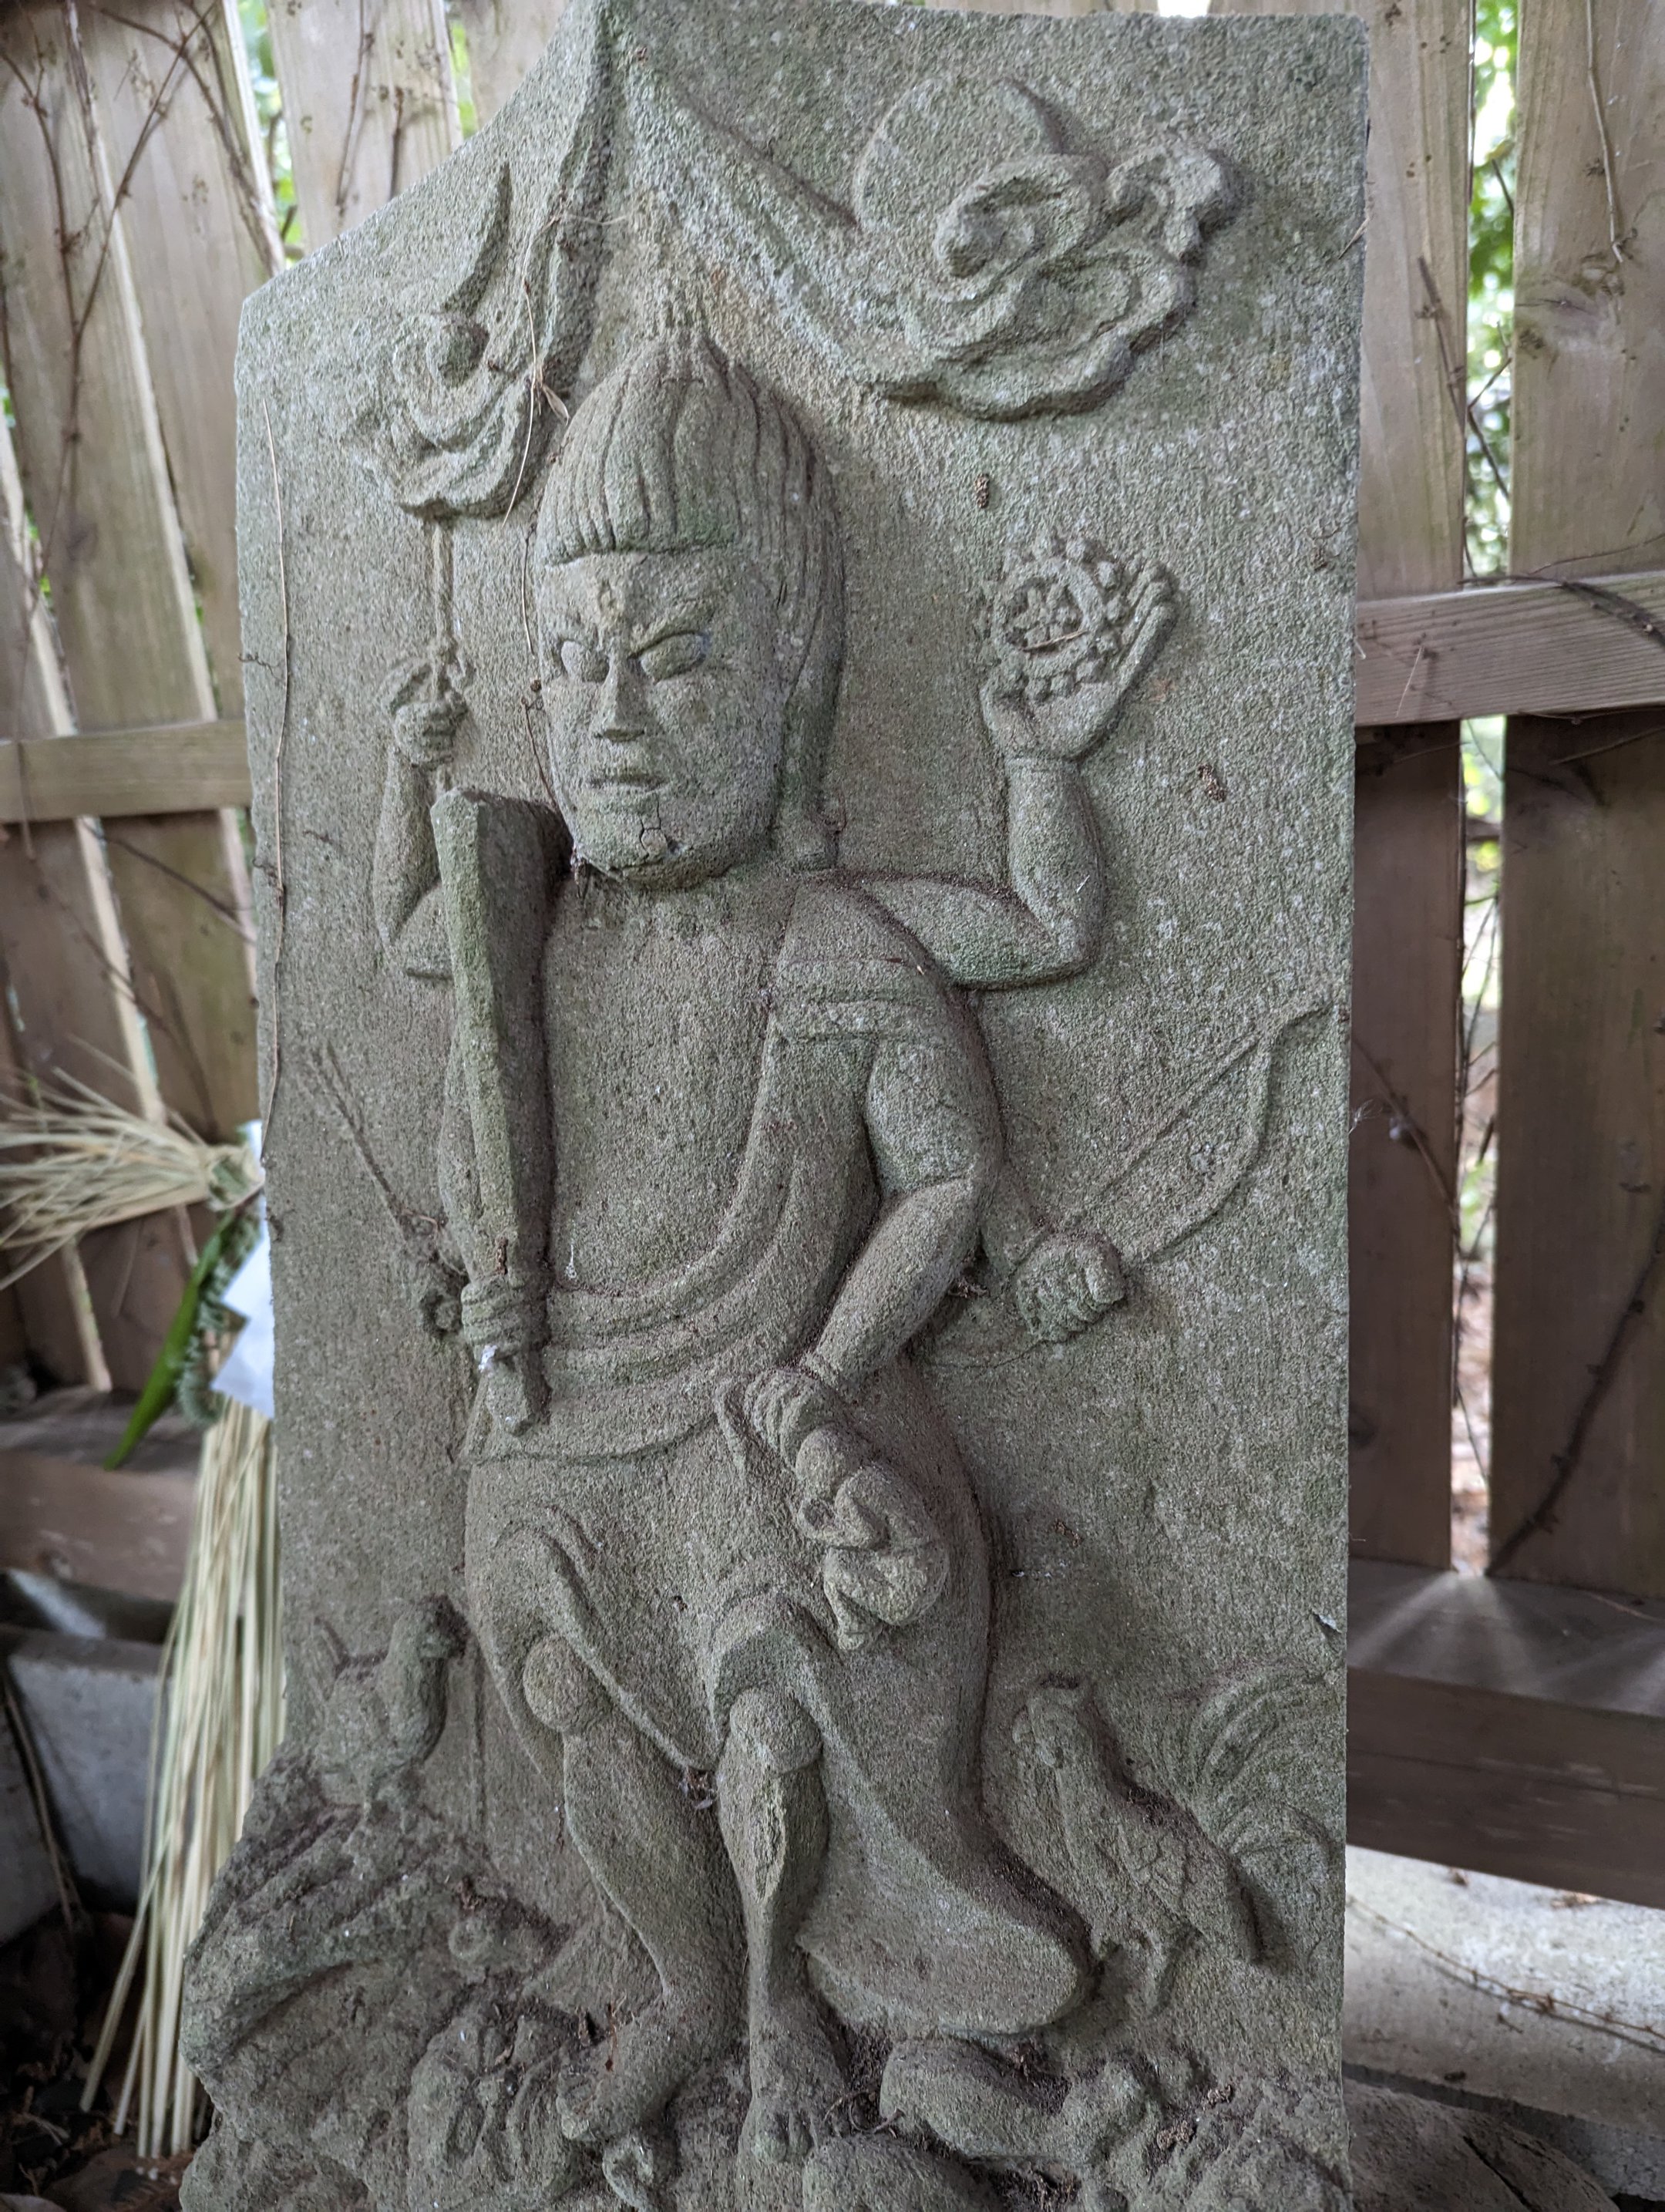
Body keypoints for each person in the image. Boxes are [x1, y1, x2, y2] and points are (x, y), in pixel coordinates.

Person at [376, 328, 1171, 2182]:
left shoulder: (830, 944)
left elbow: (956, 1158)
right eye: (576, 665)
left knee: (772, 1698)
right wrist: (407, 770)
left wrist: (1037, 764)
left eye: (676, 662)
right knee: (563, 1690)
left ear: (798, 682)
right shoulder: (540, 937)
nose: (616, 721)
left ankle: (778, 2005)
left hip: (757, 1417)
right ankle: (678, 1981)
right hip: (562, 1413)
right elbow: (425, 949)